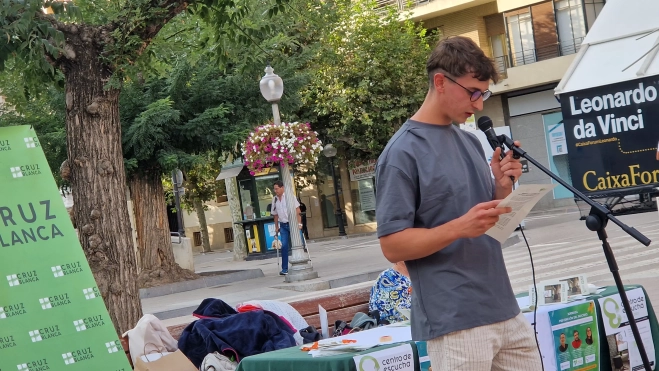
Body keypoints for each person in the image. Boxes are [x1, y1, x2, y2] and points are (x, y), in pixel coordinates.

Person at [375, 36, 539, 371]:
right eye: (473, 92)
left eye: (484, 94)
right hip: (454, 318)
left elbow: (485, 222)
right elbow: (392, 245)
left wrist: (500, 189)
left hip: (504, 306)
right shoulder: (401, 153)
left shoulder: (468, 141)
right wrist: (458, 227)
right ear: (440, 82)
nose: (479, 105)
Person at [271, 180, 302, 276]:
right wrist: (276, 227)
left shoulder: (289, 197)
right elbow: (275, 215)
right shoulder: (275, 200)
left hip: (293, 223)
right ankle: (285, 269)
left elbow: (297, 210)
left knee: (299, 243)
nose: (275, 191)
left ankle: (301, 263)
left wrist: (299, 223)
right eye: (274, 189)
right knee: (284, 246)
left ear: (282, 188)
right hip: (283, 225)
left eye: (277, 189)